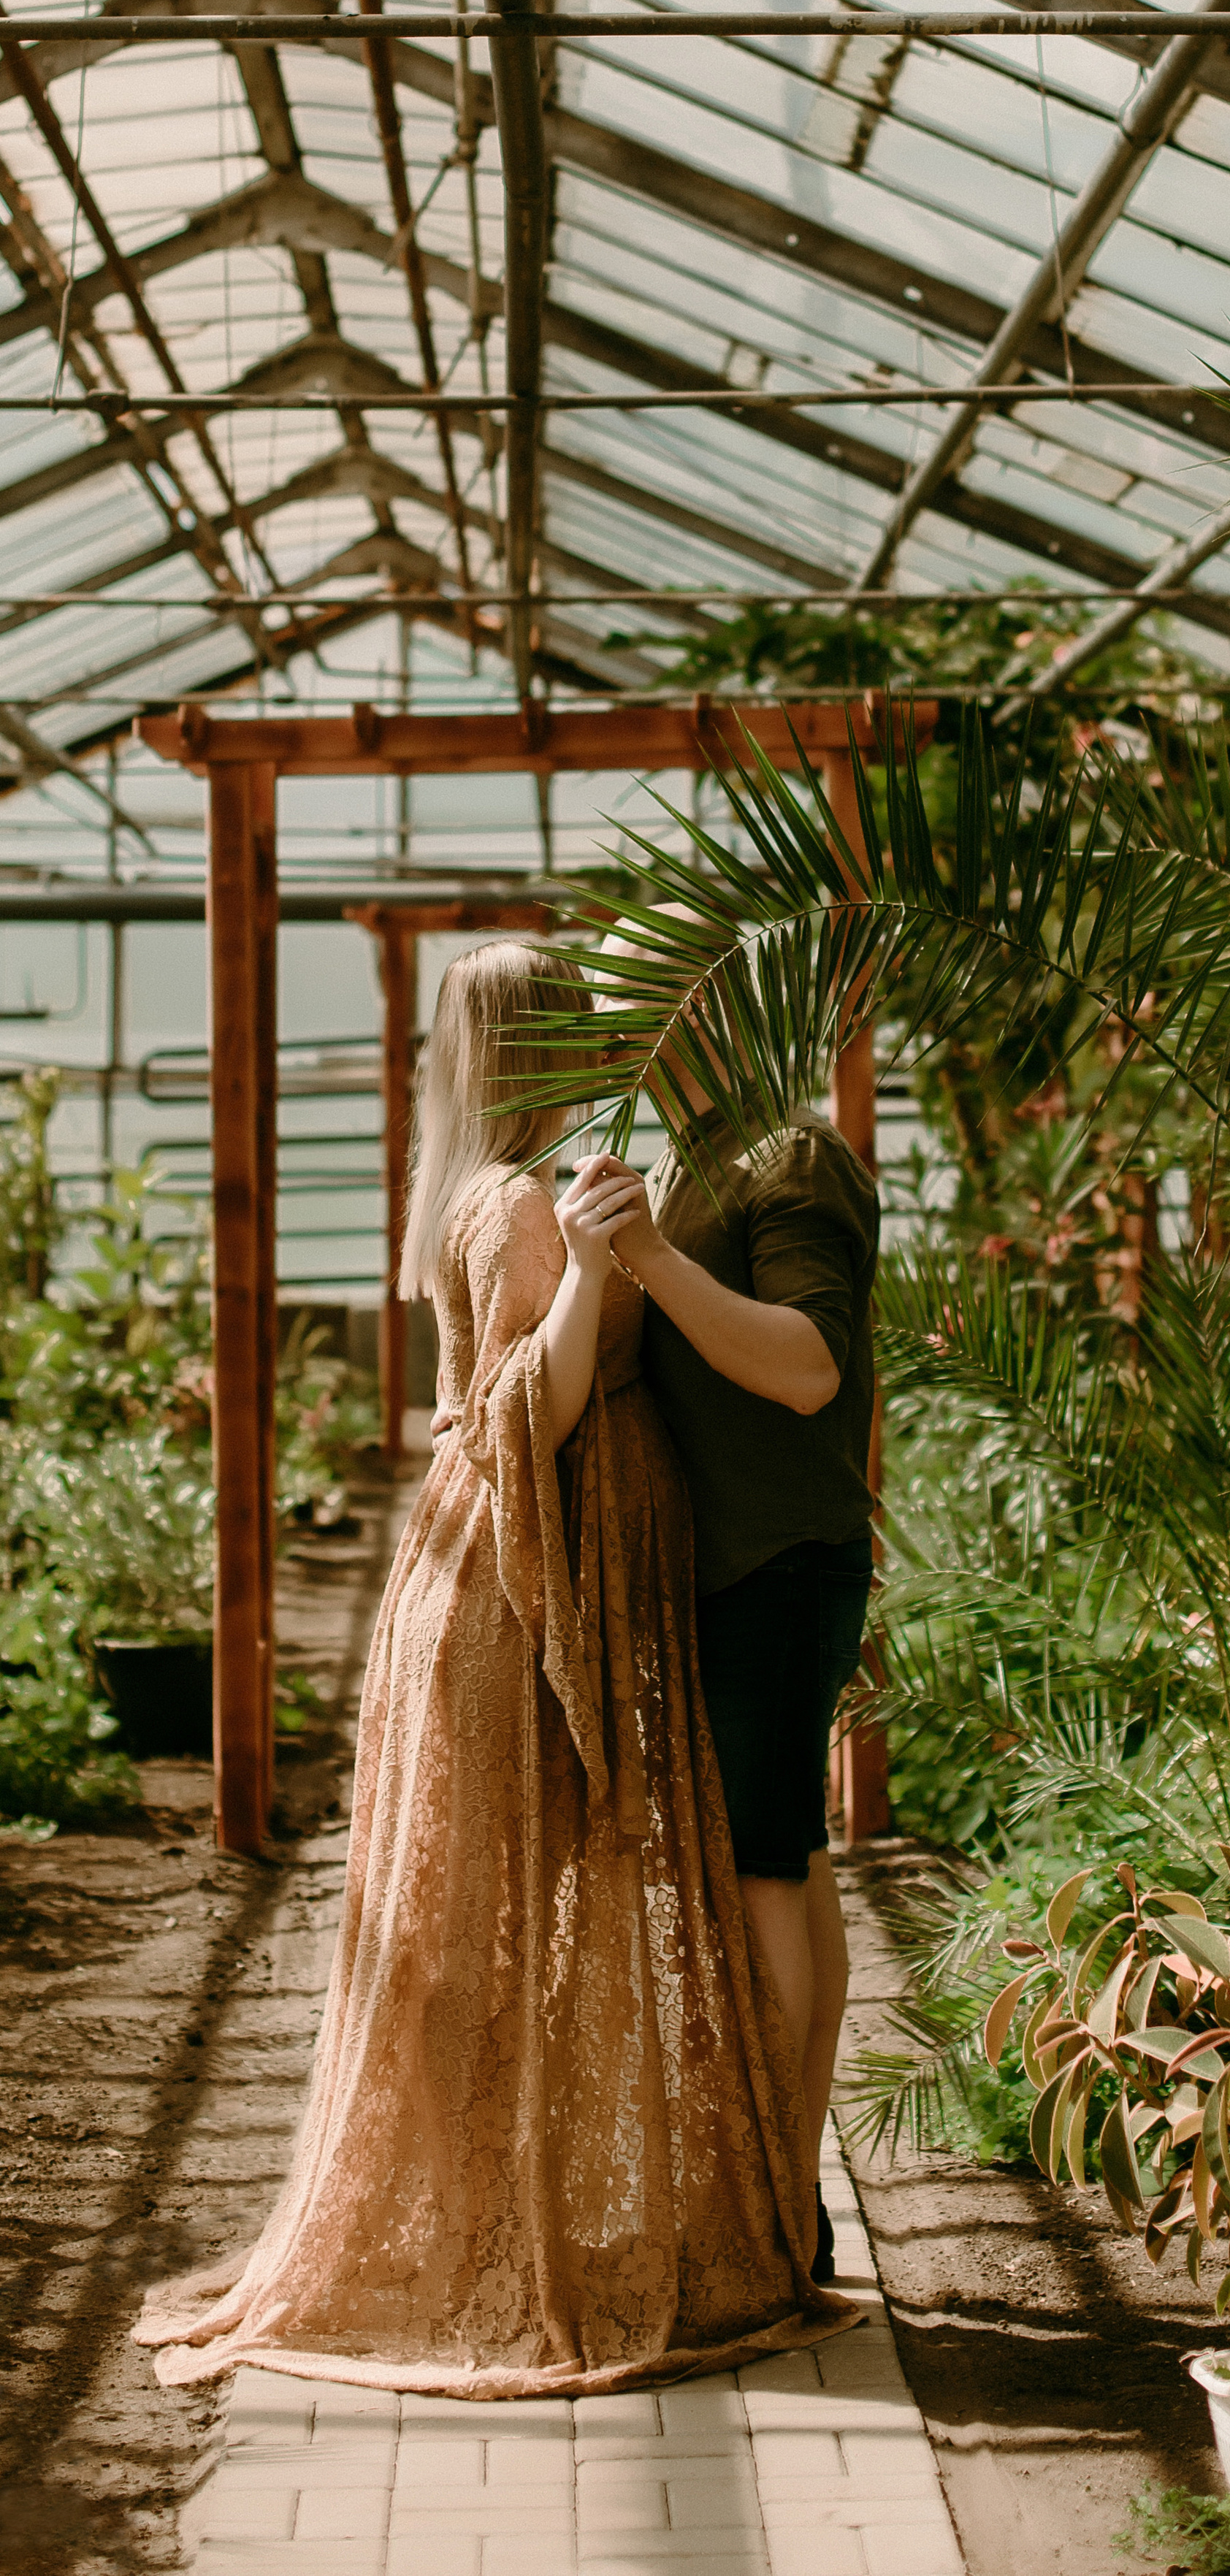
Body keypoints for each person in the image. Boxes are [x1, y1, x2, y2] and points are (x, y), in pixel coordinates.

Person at [136, 943, 855, 2396]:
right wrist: (600, 1272)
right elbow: (539, 1397)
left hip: (540, 1571)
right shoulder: (530, 1199)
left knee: (553, 1904)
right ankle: (526, 2226)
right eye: (588, 1015)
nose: (624, 1034)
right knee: (533, 1909)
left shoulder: (494, 1185)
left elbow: (777, 1366)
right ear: (539, 1042)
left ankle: (581, 2207)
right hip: (524, 1580)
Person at [572, 1077, 880, 2284]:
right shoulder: (701, 1148)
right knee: (789, 1864)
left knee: (765, 1879)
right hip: (744, 1572)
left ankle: (765, 2211)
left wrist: (643, 1248)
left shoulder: (792, 1156)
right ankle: (785, 2202)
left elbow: (808, 1366)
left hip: (779, 1569)